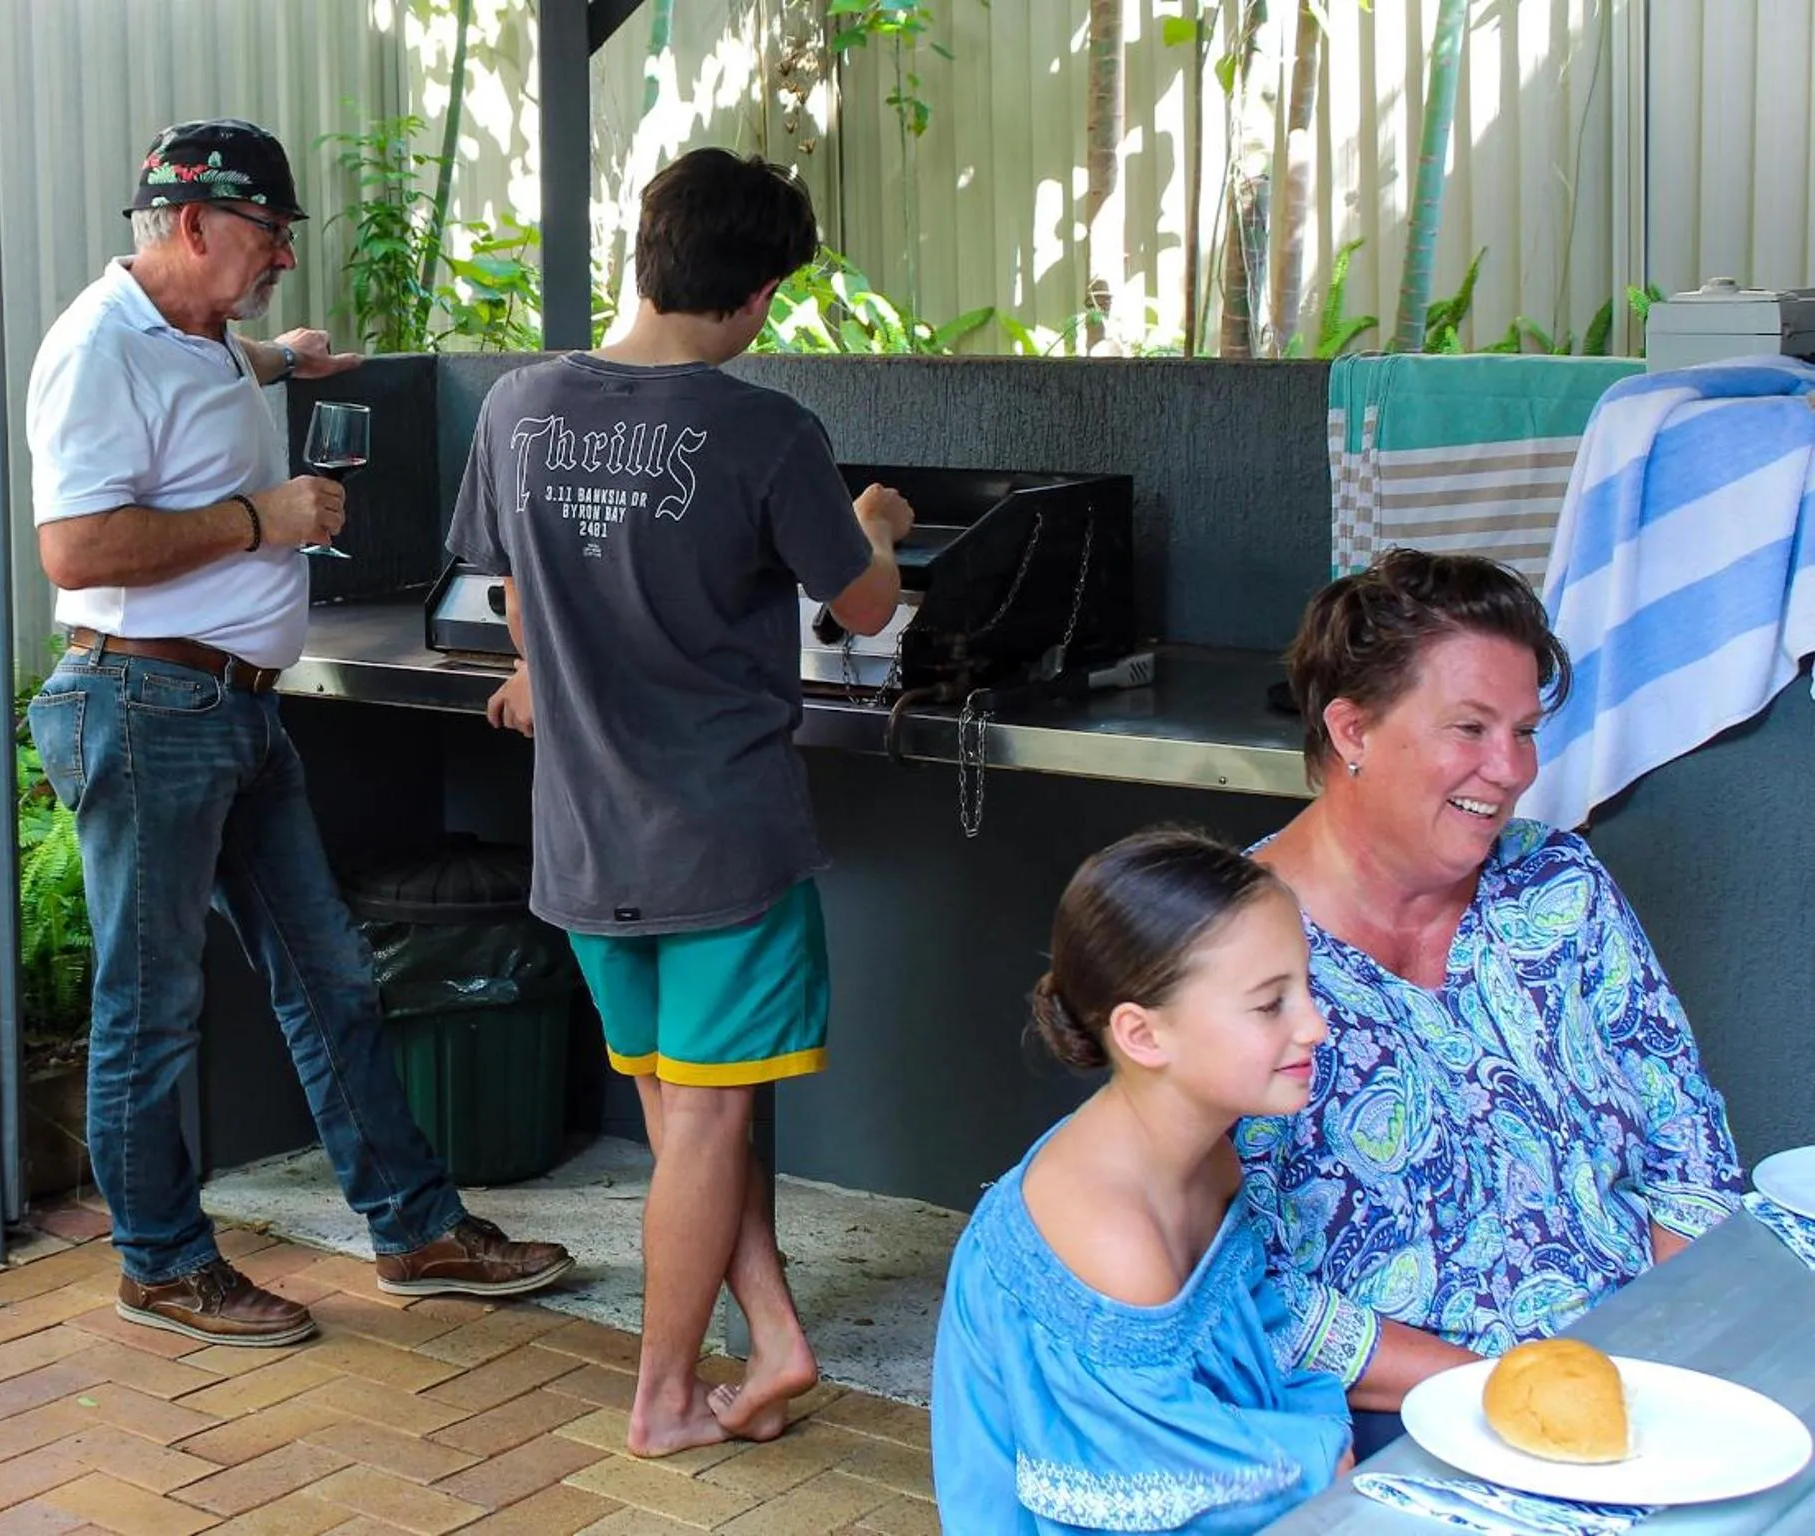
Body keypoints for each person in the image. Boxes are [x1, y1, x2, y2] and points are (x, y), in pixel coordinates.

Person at [23, 118, 572, 1348]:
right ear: (192, 223)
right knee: (150, 1010)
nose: (279, 255)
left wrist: (287, 358)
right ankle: (159, 1263)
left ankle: (413, 1227)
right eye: (267, 234)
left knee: (332, 979)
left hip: (234, 711)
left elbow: (218, 375)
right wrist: (260, 520)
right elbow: (77, 548)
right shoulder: (96, 348)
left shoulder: (205, 333)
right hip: (142, 704)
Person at [451, 146, 915, 1457]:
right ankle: (661, 1401)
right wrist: (872, 522)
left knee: (682, 1110)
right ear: (760, 292)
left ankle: (772, 1340)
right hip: (724, 839)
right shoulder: (769, 432)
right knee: (707, 1117)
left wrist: (543, 676)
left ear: (648, 253)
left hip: (585, 837)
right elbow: (865, 606)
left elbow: (515, 593)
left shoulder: (516, 408)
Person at [1236, 548, 1745, 1452]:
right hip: (1386, 1416)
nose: (1510, 770)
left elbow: (1688, 1150)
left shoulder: (1557, 881)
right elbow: (1236, 1289)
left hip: (1633, 1375)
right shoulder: (1226, 951)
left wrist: (1660, 1358)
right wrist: (1503, 1395)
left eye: (1524, 730)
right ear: (1352, 731)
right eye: (1469, 728)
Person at [930, 830, 1352, 1533]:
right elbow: (1143, 1472)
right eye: (1269, 1003)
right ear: (1144, 1035)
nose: (1316, 1024)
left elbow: (1246, 1351)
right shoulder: (1110, 1238)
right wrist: (1320, 1454)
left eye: (1307, 987)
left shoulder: (1211, 1156)